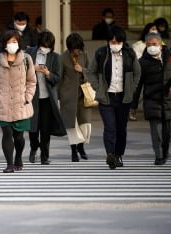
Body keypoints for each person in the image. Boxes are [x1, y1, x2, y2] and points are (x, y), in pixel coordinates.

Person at [87, 25, 141, 169]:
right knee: (110, 127)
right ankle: (110, 154)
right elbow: (91, 72)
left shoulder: (130, 54)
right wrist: (98, 88)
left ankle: (118, 155)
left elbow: (137, 73)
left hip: (124, 97)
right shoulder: (101, 53)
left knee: (121, 128)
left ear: (122, 42)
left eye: (117, 42)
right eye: (112, 42)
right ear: (108, 42)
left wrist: (132, 89)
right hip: (106, 97)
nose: (115, 45)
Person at [0, 30, 36, 173]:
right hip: (3, 104)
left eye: (14, 42)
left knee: (19, 137)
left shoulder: (27, 59)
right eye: (9, 42)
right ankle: (9, 164)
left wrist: (27, 97)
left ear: (19, 43)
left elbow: (31, 81)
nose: (12, 44)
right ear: (4, 44)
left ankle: (18, 158)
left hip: (21, 103)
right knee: (7, 133)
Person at [26, 30, 66, 165]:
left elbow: (58, 78)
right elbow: (21, 70)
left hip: (48, 98)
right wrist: (33, 69)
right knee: (32, 127)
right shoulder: (30, 53)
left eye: (48, 45)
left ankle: (44, 155)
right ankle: (33, 148)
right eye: (43, 45)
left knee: (45, 128)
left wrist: (48, 73)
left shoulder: (56, 57)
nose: (45, 48)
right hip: (32, 96)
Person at [132, 33, 171, 165]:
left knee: (167, 133)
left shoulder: (169, 58)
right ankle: (159, 155)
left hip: (168, 100)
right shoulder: (142, 62)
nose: (151, 47)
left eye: (154, 44)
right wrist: (134, 104)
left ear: (160, 45)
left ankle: (165, 153)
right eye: (148, 45)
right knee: (156, 131)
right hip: (151, 100)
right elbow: (137, 85)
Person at [58, 33, 92, 162]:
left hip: (84, 95)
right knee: (72, 125)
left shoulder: (85, 55)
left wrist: (81, 70)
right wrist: (59, 96)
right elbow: (59, 78)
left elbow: (91, 72)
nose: (76, 51)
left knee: (85, 124)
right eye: (73, 49)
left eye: (78, 48)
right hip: (68, 97)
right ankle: (74, 150)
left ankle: (81, 147)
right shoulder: (62, 58)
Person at [130, 22, 158, 121]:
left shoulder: (160, 44)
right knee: (136, 91)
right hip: (141, 70)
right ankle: (132, 110)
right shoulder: (138, 45)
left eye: (155, 29)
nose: (154, 31)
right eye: (152, 29)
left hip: (154, 71)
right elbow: (137, 60)